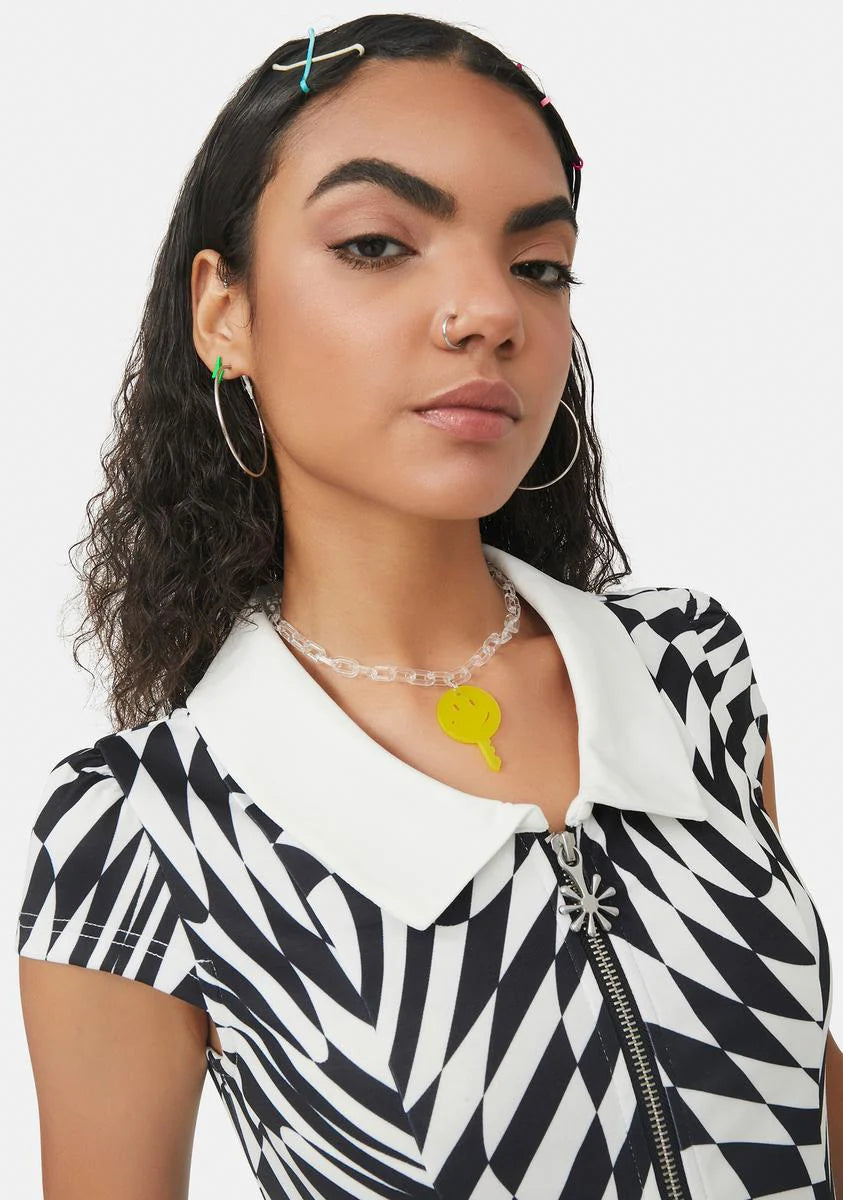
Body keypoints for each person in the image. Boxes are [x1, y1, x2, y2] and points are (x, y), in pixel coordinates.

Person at [15, 13, 841, 1200]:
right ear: (224, 312)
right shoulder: (140, 834)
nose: (488, 311)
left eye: (537, 264)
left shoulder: (689, 671)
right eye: (376, 245)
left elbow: (802, 1097)